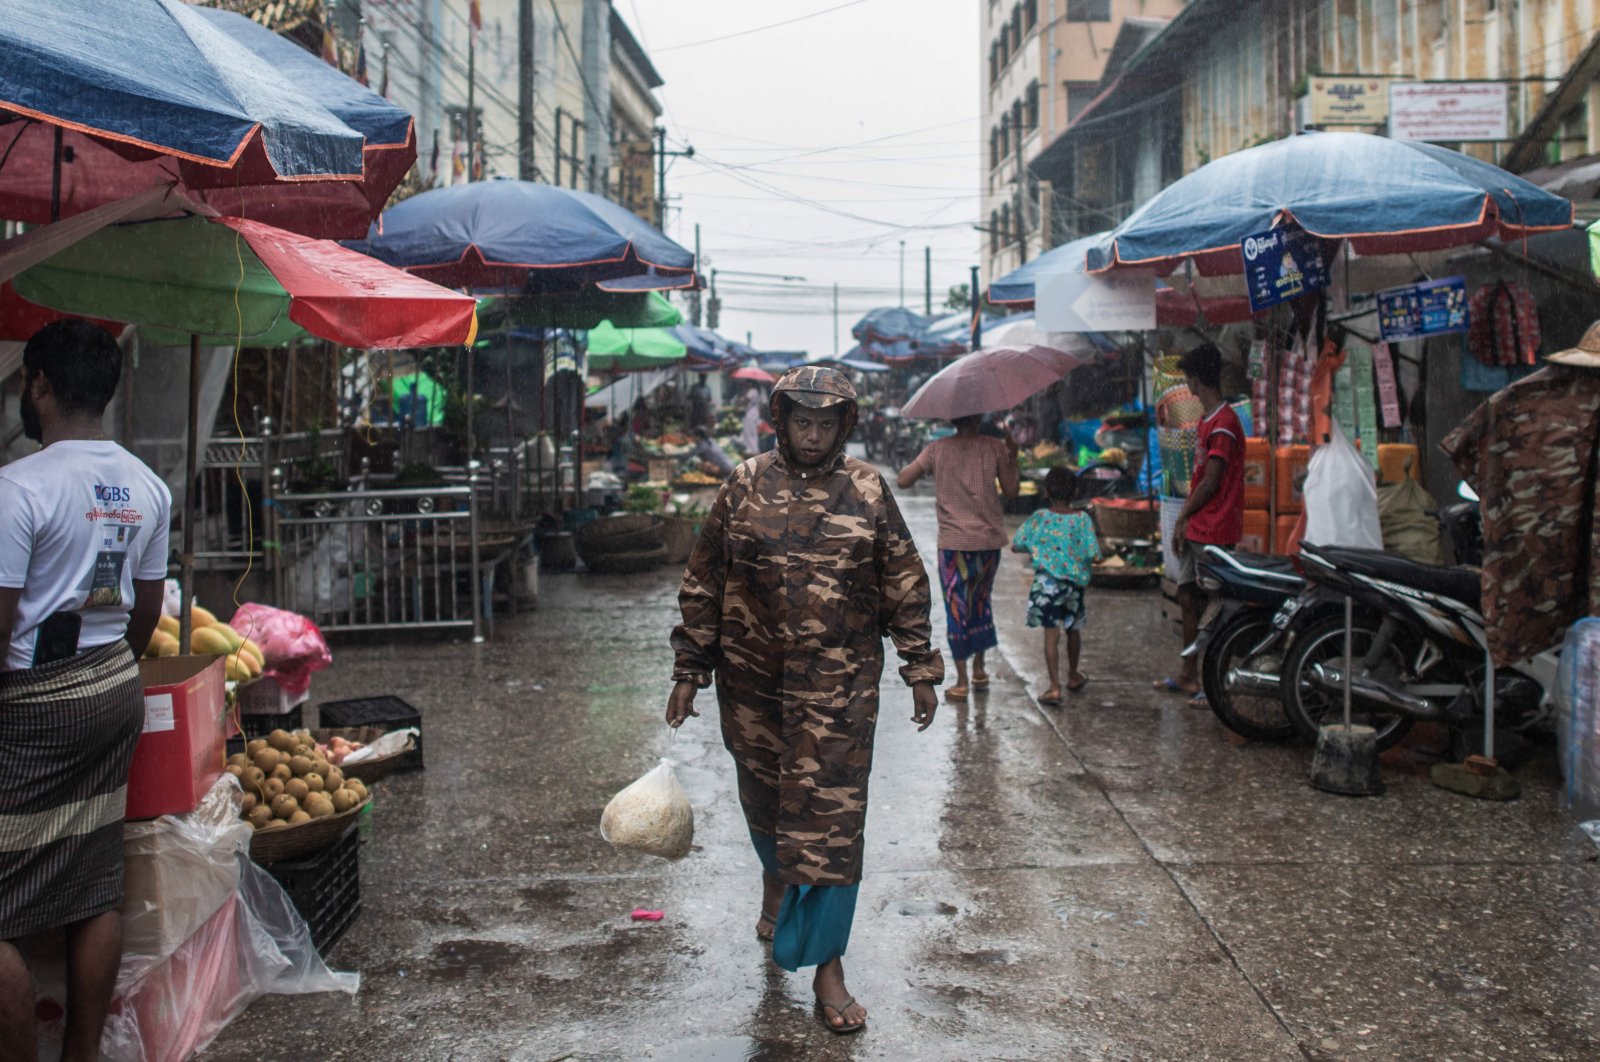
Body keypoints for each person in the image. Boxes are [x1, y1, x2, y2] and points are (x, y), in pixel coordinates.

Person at [666, 366, 942, 1036]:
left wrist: (919, 665)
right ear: (781, 421)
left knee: (833, 827)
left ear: (844, 425)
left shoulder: (870, 488)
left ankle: (828, 968)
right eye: (801, 422)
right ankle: (776, 878)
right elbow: (705, 576)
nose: (812, 435)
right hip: (753, 687)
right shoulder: (744, 483)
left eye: (825, 424)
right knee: (765, 803)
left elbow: (903, 578)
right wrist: (688, 667)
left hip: (839, 691)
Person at [0, 319, 171, 1062]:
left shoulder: (17, 487)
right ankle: (82, 1054)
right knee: (92, 883)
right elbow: (146, 607)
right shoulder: (146, 483)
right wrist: (111, 672)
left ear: (39, 386)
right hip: (111, 687)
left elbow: (0, 616)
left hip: (32, 700)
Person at [896, 413, 1020, 700]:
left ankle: (962, 680)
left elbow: (903, 480)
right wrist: (1012, 458)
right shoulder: (995, 447)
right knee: (980, 603)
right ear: (979, 417)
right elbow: (1012, 491)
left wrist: (936, 469)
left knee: (957, 608)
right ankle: (979, 669)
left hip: (953, 545)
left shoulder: (937, 449)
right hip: (987, 542)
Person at [1153, 342, 1244, 701]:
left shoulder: (1224, 422)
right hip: (1198, 525)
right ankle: (1188, 674)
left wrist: (1185, 515)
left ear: (1194, 379)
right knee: (1187, 596)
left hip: (1215, 527)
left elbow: (1212, 480)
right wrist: (1184, 522)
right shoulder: (1209, 419)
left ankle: (1213, 681)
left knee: (1213, 605)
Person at [1012, 468, 1101, 705]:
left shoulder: (1040, 518)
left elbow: (1017, 544)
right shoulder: (1082, 519)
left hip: (1046, 586)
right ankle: (1073, 675)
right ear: (1075, 492)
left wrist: (1039, 548)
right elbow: (1095, 554)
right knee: (1073, 630)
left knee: (1051, 634)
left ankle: (1053, 687)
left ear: (1046, 492)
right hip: (1073, 587)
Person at [739, 386, 764, 456]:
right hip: (753, 412)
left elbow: (746, 401)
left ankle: (754, 451)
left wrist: (740, 402)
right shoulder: (755, 391)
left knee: (750, 432)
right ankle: (753, 450)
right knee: (751, 432)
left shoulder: (752, 391)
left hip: (751, 413)